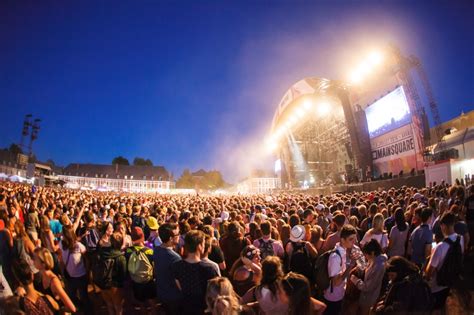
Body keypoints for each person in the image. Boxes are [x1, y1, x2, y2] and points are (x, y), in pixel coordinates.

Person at [171, 230, 219, 315]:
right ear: (199, 246)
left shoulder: (176, 266)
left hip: (186, 306)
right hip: (204, 309)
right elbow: (214, 293)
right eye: (203, 244)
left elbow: (180, 287)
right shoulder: (209, 269)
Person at [425, 212, 464, 314]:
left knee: (434, 309)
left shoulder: (440, 247)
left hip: (437, 285)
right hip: (451, 281)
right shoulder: (461, 239)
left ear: (443, 226)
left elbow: (429, 272)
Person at [323, 224, 358, 315]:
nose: (354, 242)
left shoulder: (343, 251)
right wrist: (350, 266)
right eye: (351, 239)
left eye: (355, 239)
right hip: (333, 297)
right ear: (342, 240)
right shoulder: (335, 257)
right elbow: (336, 282)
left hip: (339, 294)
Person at [59, 226, 92, 313]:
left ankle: (88, 311)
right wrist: (62, 273)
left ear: (67, 235)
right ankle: (80, 309)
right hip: (69, 276)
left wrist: (88, 271)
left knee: (84, 296)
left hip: (81, 275)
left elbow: (87, 259)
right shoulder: (61, 244)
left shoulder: (78, 246)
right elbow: (61, 259)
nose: (62, 235)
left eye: (63, 234)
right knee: (72, 296)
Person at [33, 247, 76, 313]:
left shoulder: (53, 282)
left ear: (43, 264)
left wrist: (59, 310)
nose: (32, 260)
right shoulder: (42, 277)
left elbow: (72, 308)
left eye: (35, 259)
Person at [349, 239, 387, 315]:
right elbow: (367, 267)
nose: (365, 257)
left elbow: (367, 287)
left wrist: (354, 279)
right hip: (365, 296)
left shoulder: (379, 267)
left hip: (369, 298)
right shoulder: (375, 259)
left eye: (366, 254)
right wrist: (360, 269)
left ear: (372, 253)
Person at [125, 226, 156, 311]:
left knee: (140, 302)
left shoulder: (128, 251)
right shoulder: (149, 250)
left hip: (136, 282)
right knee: (152, 301)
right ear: (143, 237)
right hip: (149, 281)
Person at [154, 223, 182, 314]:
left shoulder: (156, 250)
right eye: (177, 234)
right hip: (173, 297)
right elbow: (179, 282)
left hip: (161, 293)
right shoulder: (175, 258)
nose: (179, 236)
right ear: (170, 238)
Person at [97, 232, 127, 315]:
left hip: (103, 283)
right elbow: (123, 274)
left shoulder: (102, 252)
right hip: (115, 286)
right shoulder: (121, 257)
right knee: (118, 307)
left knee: (109, 305)